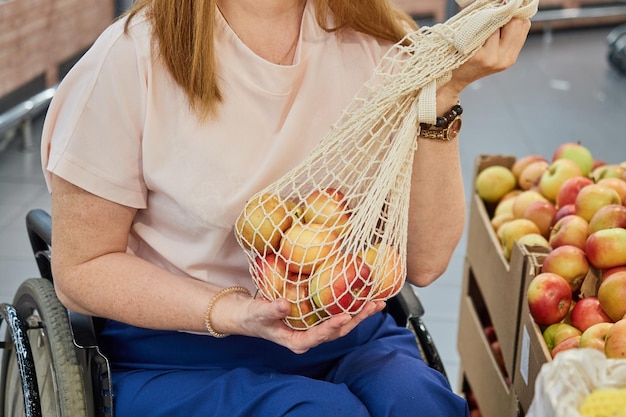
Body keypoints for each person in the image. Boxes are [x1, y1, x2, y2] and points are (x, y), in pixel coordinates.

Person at [41, 0, 531, 415]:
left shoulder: (385, 43)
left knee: (418, 403)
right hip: (178, 351)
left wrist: (442, 96)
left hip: (345, 331)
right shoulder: (130, 60)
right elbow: (83, 267)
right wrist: (236, 313)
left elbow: (423, 263)